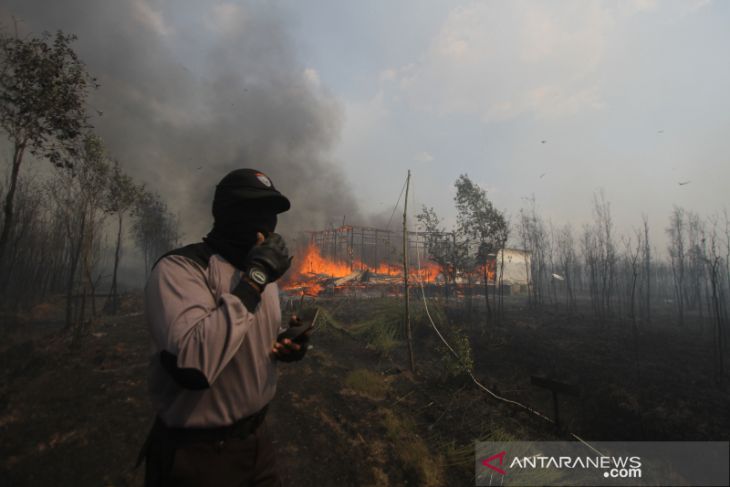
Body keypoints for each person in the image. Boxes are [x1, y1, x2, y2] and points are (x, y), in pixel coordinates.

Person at [139, 168, 309, 487]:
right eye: (253, 210)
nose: (265, 221)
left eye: (271, 212)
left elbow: (247, 339)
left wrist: (286, 346)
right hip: (199, 457)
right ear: (225, 213)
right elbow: (193, 366)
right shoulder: (181, 269)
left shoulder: (262, 276)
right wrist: (257, 278)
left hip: (258, 444)